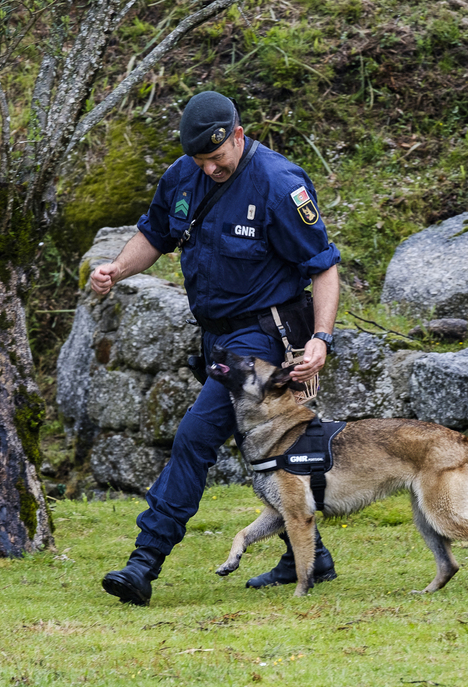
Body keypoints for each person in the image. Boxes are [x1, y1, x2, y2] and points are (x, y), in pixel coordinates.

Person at [89, 90, 341, 606]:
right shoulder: (183, 176)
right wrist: (117, 268)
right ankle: (309, 556)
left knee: (194, 438)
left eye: (217, 157)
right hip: (216, 336)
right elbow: (155, 235)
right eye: (200, 160)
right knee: (267, 448)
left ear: (239, 135)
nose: (209, 169)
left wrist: (320, 338)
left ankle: (144, 561)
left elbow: (324, 267)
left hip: (264, 339)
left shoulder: (278, 185)